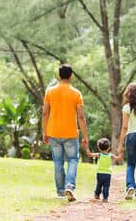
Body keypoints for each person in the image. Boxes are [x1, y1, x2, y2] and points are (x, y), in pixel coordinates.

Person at [42, 64, 88, 202]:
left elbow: (45, 112)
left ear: (58, 75)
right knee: (73, 160)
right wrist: (85, 136)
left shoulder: (50, 92)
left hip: (54, 132)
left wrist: (44, 131)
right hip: (71, 133)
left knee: (58, 162)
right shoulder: (76, 93)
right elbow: (80, 117)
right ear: (71, 76)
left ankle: (61, 192)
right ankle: (69, 186)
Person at [86, 138, 123, 202]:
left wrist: (86, 148)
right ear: (108, 148)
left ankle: (97, 195)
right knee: (106, 186)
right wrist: (121, 153)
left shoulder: (99, 155)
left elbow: (89, 154)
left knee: (99, 184)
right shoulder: (110, 155)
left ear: (99, 148)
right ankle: (105, 198)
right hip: (107, 174)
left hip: (100, 173)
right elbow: (118, 158)